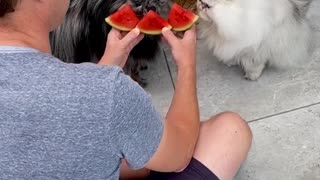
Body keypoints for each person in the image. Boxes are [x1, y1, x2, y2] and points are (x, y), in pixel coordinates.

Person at [0, 0, 252, 179]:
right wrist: (187, 65)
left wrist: (107, 64)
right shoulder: (109, 95)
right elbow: (179, 156)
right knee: (230, 130)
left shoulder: (99, 94)